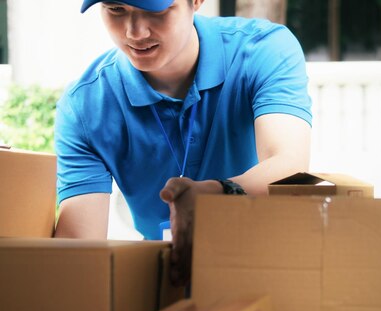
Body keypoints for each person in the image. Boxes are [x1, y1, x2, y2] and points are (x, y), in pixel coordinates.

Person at [53, 0, 312, 285]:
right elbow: (77, 253)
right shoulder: (85, 105)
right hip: (163, 281)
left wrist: (214, 195)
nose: (134, 32)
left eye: (155, 10)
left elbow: (289, 167)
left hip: (266, 273)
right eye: (116, 9)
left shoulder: (263, 49)